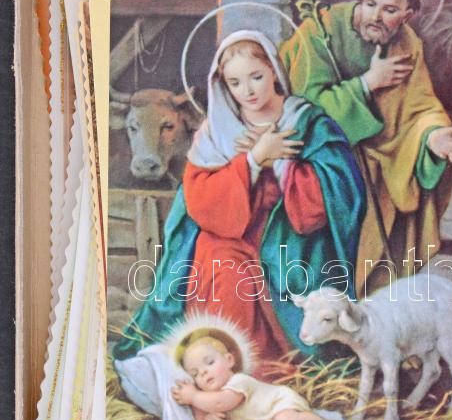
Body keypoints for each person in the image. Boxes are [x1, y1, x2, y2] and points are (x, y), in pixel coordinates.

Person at [113, 30, 365, 362]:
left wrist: (282, 165)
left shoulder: (308, 122)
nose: (247, 91)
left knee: (286, 273)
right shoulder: (217, 130)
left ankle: (274, 366)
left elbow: (338, 192)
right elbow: (201, 201)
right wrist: (253, 160)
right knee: (223, 267)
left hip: (291, 236)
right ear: (223, 85)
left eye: (256, 77)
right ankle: (223, 365)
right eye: (235, 82)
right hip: (228, 232)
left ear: (274, 70)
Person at [281, 0, 452, 295]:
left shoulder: (408, 43)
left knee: (412, 188)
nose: (375, 17)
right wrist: (367, 83)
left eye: (389, 10)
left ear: (407, 15)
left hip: (385, 162)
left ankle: (378, 307)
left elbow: (420, 105)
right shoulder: (319, 32)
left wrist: (434, 134)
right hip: (326, 161)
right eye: (370, 4)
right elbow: (304, 109)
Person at [171, 333, 352, 420]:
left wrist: (193, 396)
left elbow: (221, 402)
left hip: (276, 404)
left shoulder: (238, 381)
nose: (203, 372)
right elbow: (203, 413)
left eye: (209, 362)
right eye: (195, 374)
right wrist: (206, 419)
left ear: (229, 360)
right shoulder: (207, 398)